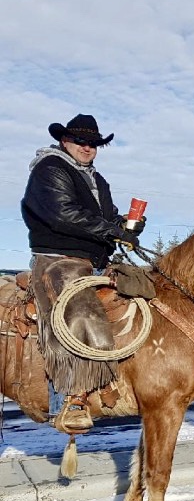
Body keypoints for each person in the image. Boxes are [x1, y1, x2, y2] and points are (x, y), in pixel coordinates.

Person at [21, 114, 143, 433]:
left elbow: (108, 216)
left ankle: (121, 374)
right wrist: (113, 232)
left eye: (94, 144)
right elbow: (64, 214)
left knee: (143, 290)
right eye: (81, 142)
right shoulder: (50, 169)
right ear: (65, 141)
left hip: (95, 259)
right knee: (84, 312)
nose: (88, 148)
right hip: (59, 259)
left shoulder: (97, 179)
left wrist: (126, 227)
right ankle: (75, 396)